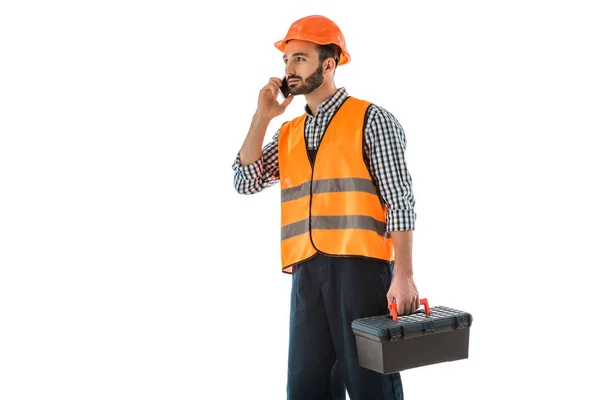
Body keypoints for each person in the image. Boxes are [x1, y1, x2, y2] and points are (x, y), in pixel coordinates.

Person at [232, 15, 419, 400]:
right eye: (286, 61)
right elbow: (245, 180)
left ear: (329, 63)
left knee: (372, 387)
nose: (289, 69)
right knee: (306, 389)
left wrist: (403, 275)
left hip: (362, 275)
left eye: (300, 58)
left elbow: (400, 200)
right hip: (306, 276)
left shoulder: (372, 120)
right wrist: (262, 117)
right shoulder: (289, 133)